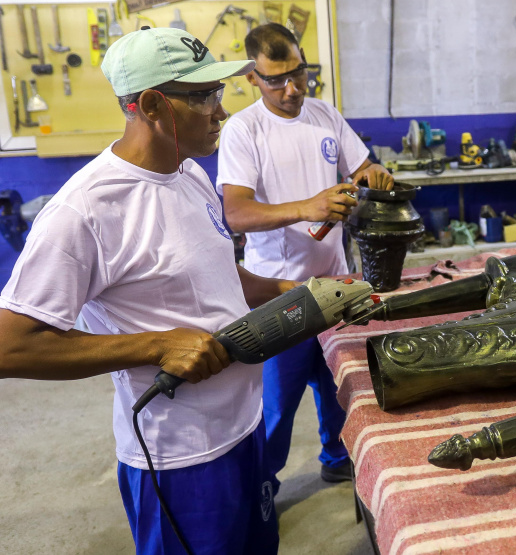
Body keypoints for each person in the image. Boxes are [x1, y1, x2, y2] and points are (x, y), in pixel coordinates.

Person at [0, 28, 295, 555]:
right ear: (154, 105)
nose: (220, 111)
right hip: (181, 463)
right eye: (203, 96)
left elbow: (221, 279)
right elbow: (11, 344)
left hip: (245, 430)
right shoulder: (85, 211)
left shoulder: (189, 174)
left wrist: (296, 290)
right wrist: (155, 345)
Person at [216, 23, 393, 484]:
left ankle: (338, 460)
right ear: (252, 77)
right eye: (277, 80)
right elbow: (235, 213)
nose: (292, 89)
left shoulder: (324, 114)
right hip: (278, 294)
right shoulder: (243, 130)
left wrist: (374, 174)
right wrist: (306, 207)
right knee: (275, 404)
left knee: (341, 386)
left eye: (300, 74)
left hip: (334, 285)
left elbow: (362, 165)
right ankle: (263, 483)